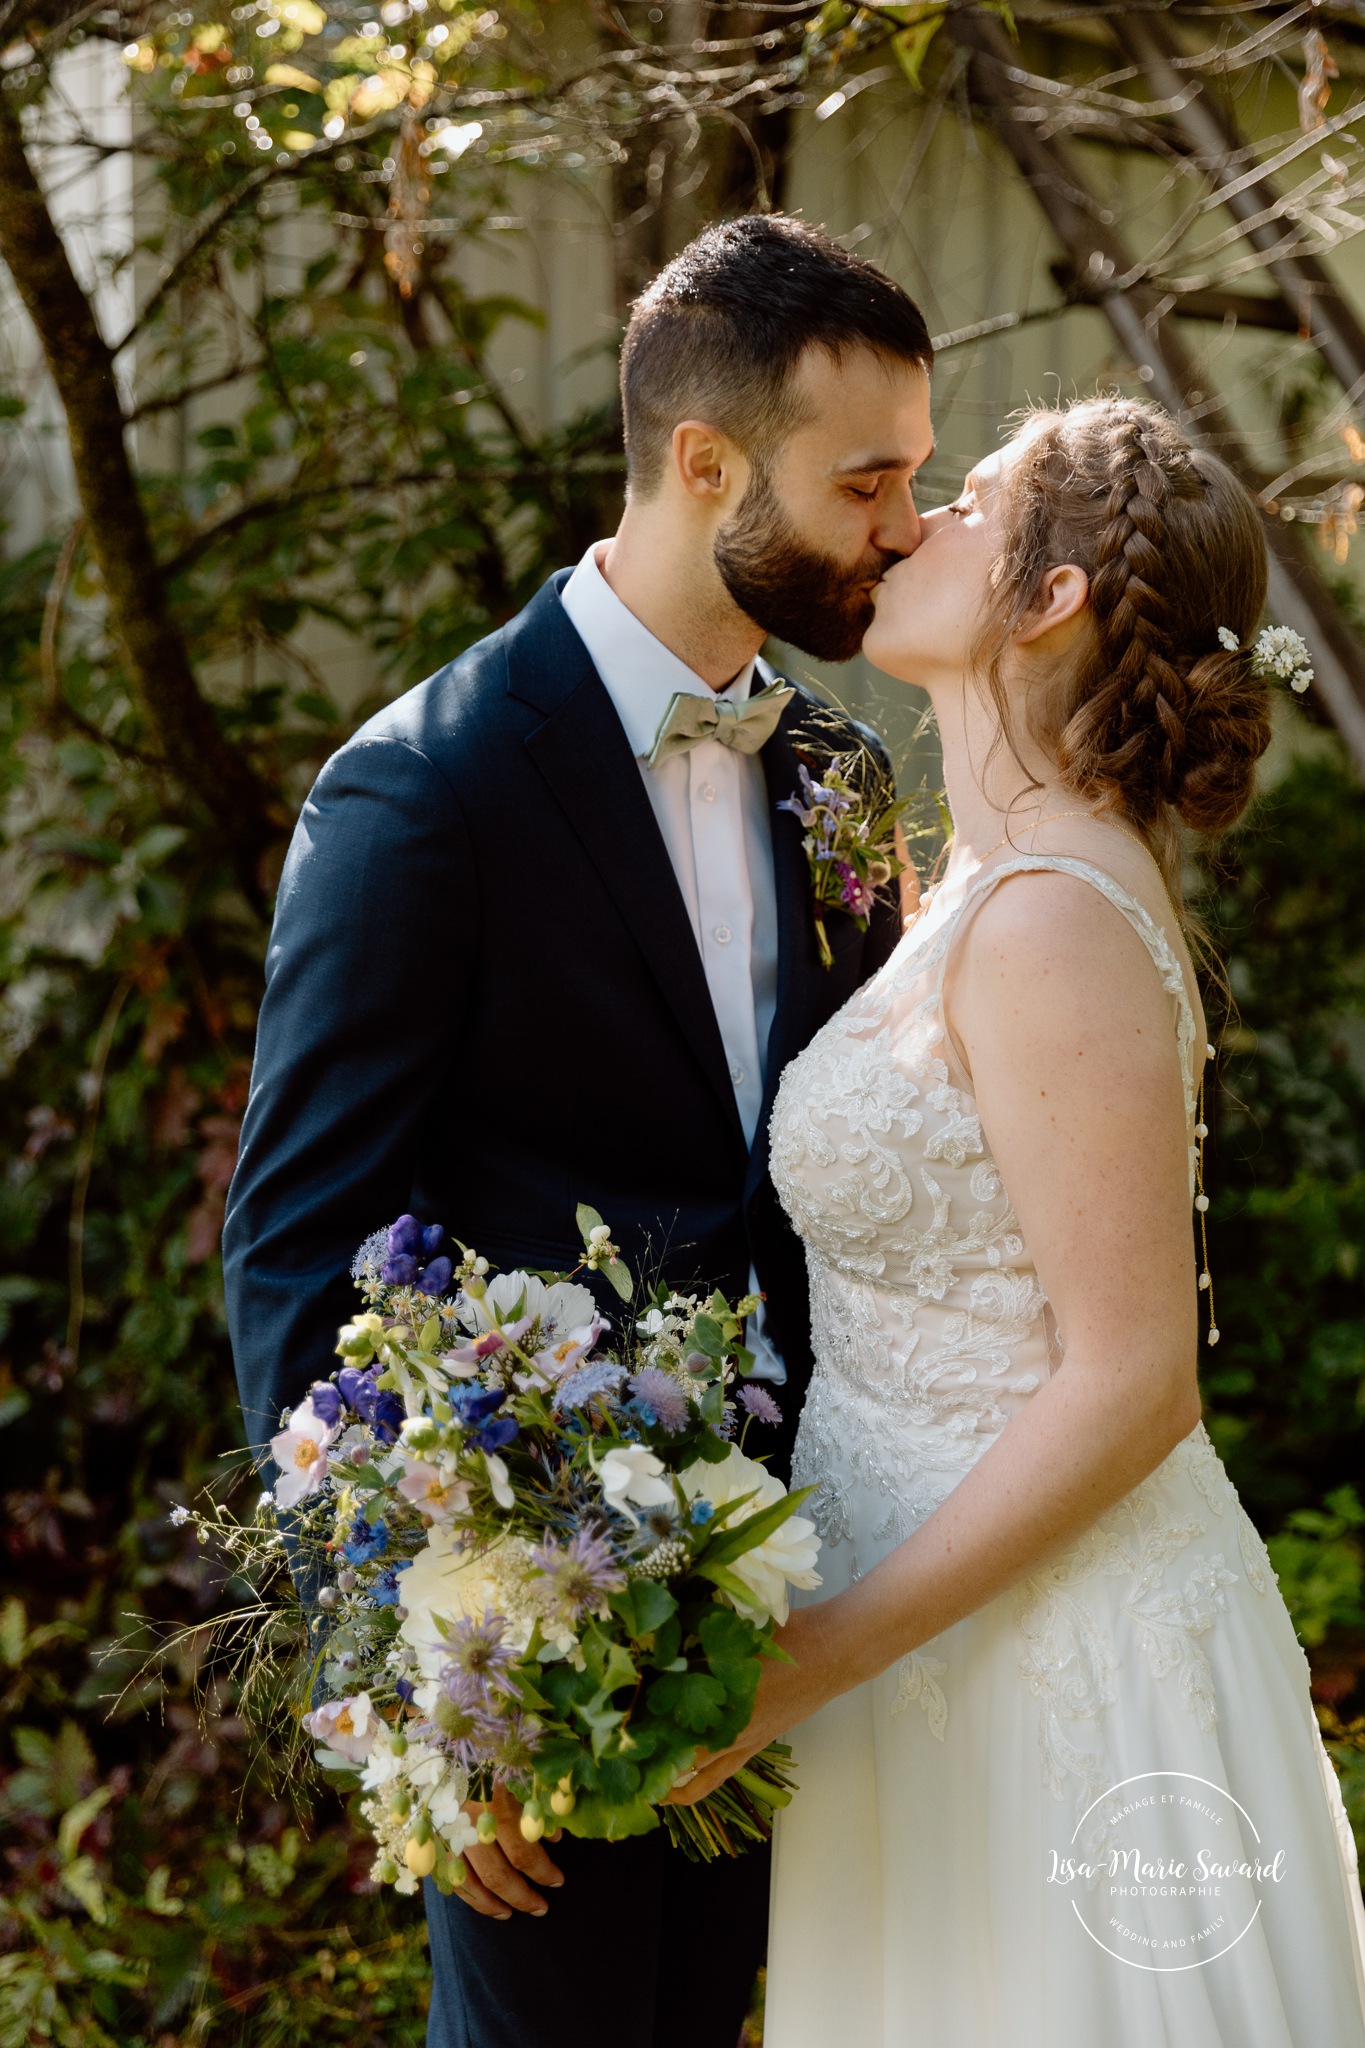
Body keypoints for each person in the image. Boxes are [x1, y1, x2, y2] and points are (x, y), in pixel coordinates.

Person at [220, 213, 934, 2048]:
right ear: (705, 466)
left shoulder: (836, 772)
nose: (905, 532)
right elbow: (299, 1250)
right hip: (562, 1646)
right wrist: (412, 1689)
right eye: (865, 484)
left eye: (914, 480)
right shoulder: (423, 787)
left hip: (843, 1595)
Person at [668, 395, 1365, 2044]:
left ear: (1047, 600)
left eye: (968, 503)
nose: (907, 525)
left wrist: (818, 1655)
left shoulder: (1052, 917)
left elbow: (1135, 1378)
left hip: (1056, 1661)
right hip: (929, 1657)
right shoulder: (990, 883)